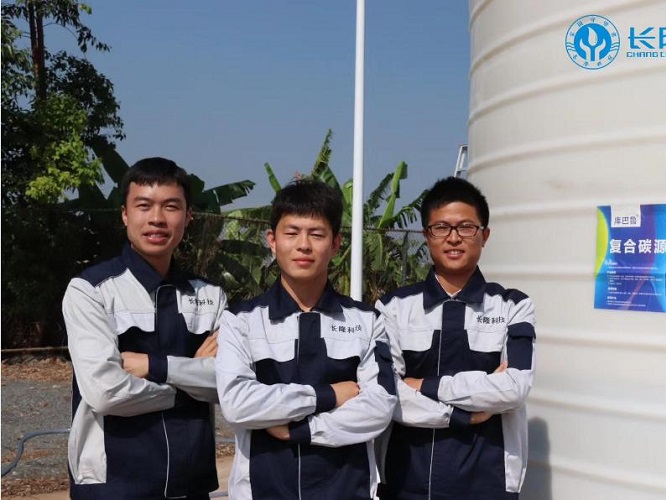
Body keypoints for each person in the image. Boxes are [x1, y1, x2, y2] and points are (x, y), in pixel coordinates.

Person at [215, 179, 397, 499]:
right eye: (292, 232)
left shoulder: (367, 321)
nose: (303, 245)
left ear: (336, 244)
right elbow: (238, 404)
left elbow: (378, 408)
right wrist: (329, 395)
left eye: (316, 234)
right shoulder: (240, 320)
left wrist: (301, 430)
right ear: (272, 240)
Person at [62, 157, 226, 499]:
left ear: (188, 216)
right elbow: (105, 391)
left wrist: (152, 366)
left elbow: (227, 382)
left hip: (190, 482)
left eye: (171, 206)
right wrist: (188, 382)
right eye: (144, 206)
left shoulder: (210, 296)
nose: (157, 218)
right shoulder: (91, 290)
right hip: (112, 483)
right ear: (125, 214)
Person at [375, 176, 536, 499]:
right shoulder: (393, 308)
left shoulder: (513, 306)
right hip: (404, 480)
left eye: (466, 227)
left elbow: (514, 388)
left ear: (484, 236)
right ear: (426, 236)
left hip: (489, 482)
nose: (453, 238)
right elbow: (387, 395)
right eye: (441, 228)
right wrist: (465, 415)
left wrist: (423, 385)